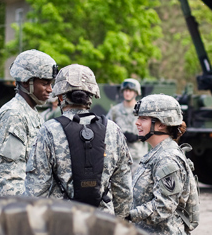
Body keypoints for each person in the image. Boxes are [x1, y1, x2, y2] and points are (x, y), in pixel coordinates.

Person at [25, 64, 133, 217]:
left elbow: (35, 191)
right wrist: (119, 222)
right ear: (91, 95)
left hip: (62, 223)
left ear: (61, 96)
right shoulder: (113, 131)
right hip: (103, 223)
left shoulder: (49, 131)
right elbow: (123, 191)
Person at [0, 49, 57, 197]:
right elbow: (9, 181)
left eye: (51, 83)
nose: (50, 89)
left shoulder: (31, 113)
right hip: (10, 212)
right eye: (44, 83)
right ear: (26, 81)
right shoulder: (14, 115)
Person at [128, 94, 199, 235]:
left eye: (143, 118)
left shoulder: (167, 159)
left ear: (161, 123)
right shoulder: (157, 154)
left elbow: (164, 206)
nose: (137, 123)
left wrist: (128, 215)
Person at [107, 79, 149, 172]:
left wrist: (137, 137)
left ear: (136, 93)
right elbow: (106, 129)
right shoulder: (115, 111)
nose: (127, 93)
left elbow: (150, 130)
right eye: (125, 91)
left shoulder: (142, 111)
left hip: (138, 156)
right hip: (120, 156)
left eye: (130, 91)